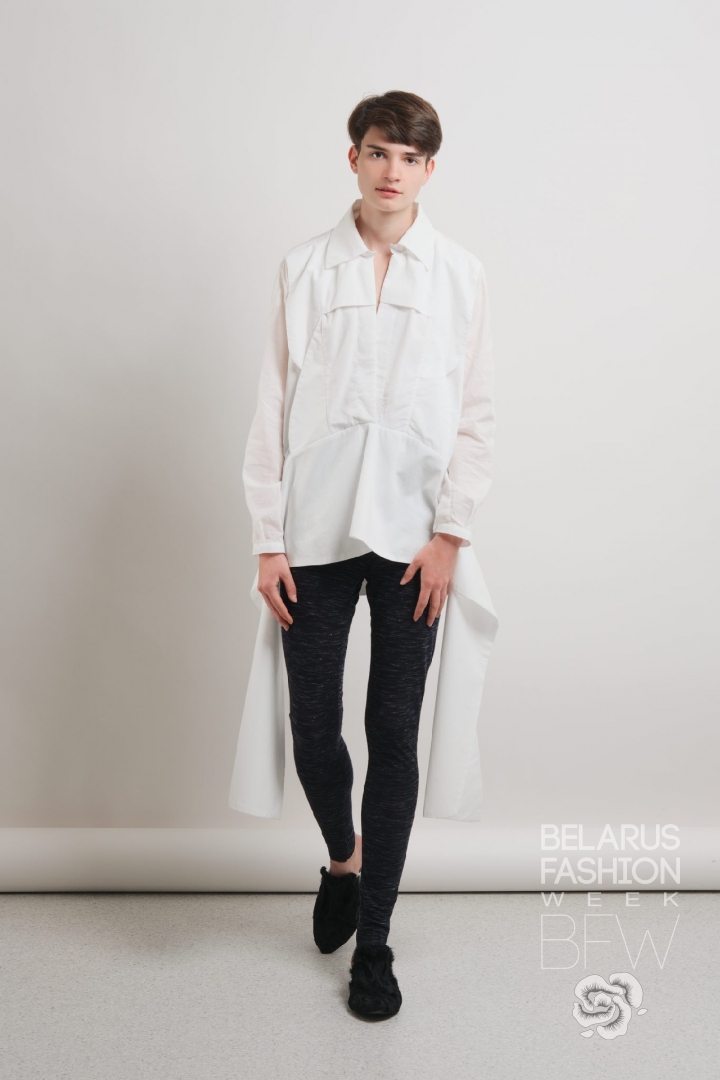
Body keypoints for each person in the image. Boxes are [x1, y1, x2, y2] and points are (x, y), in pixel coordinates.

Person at [239, 90, 496, 1019]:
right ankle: (342, 859)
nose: (394, 171)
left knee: (393, 727)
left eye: (411, 158)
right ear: (353, 157)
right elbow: (272, 403)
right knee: (313, 723)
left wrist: (451, 535)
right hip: (314, 531)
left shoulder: (460, 274)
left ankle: (375, 945)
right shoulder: (304, 267)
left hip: (413, 542)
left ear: (431, 169)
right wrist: (268, 539)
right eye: (380, 152)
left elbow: (475, 414)